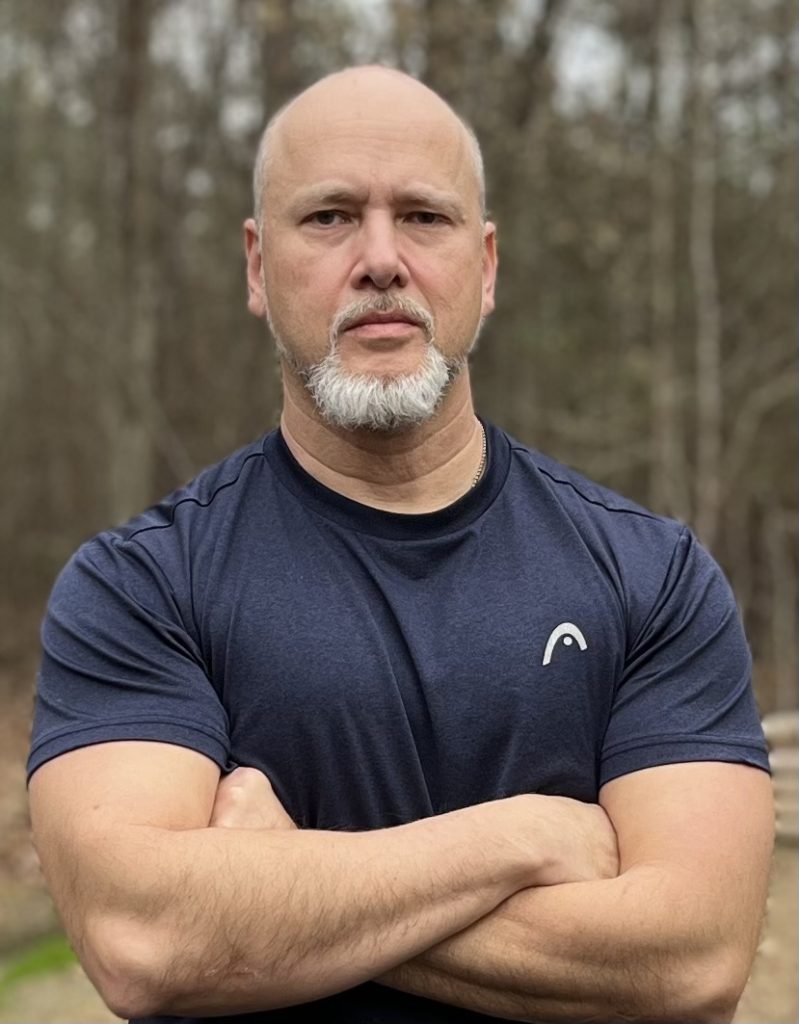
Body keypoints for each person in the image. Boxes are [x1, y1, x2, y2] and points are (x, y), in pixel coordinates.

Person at [27, 66, 773, 1024]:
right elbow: (149, 941)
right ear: (256, 266)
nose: (380, 259)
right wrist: (518, 840)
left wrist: (279, 880)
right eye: (330, 217)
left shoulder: (651, 575)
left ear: (487, 266)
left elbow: (692, 958)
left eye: (424, 217)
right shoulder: (139, 587)